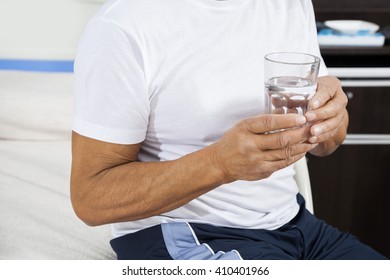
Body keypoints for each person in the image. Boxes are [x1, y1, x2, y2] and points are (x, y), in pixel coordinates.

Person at [70, 0, 386, 260]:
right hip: (187, 232)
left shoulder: (290, 6)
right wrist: (219, 164)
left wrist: (331, 119)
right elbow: (90, 198)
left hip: (295, 224)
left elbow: (327, 142)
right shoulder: (123, 25)